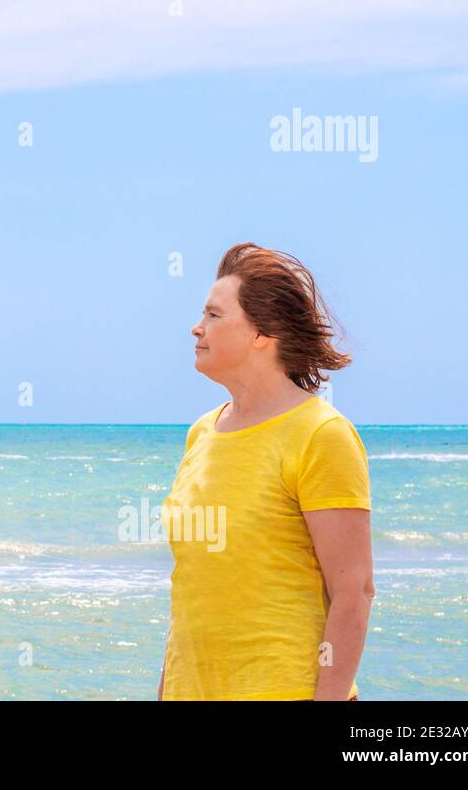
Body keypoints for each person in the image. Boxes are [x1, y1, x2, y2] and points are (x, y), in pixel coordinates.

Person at [159, 243, 372, 701]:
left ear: (262, 333)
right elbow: (191, 593)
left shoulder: (322, 435)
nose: (197, 328)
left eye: (215, 316)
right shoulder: (201, 433)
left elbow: (353, 594)